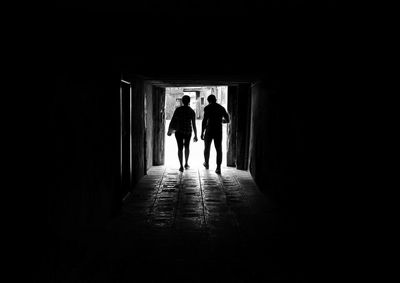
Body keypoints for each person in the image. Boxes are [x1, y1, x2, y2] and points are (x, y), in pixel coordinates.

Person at [167, 95, 198, 172]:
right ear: (189, 101)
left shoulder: (178, 110)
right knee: (187, 147)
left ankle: (181, 165)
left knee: (180, 148)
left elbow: (173, 120)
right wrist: (196, 135)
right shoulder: (191, 111)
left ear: (182, 101)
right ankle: (186, 163)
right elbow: (194, 124)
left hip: (179, 131)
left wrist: (170, 130)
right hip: (188, 131)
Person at [200, 94, 230, 174]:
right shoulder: (221, 108)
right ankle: (218, 168)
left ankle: (206, 163)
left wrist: (202, 132)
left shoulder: (207, 108)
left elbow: (204, 121)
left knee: (207, 148)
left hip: (209, 129)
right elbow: (227, 119)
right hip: (218, 130)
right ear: (215, 100)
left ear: (208, 101)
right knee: (219, 149)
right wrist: (221, 121)